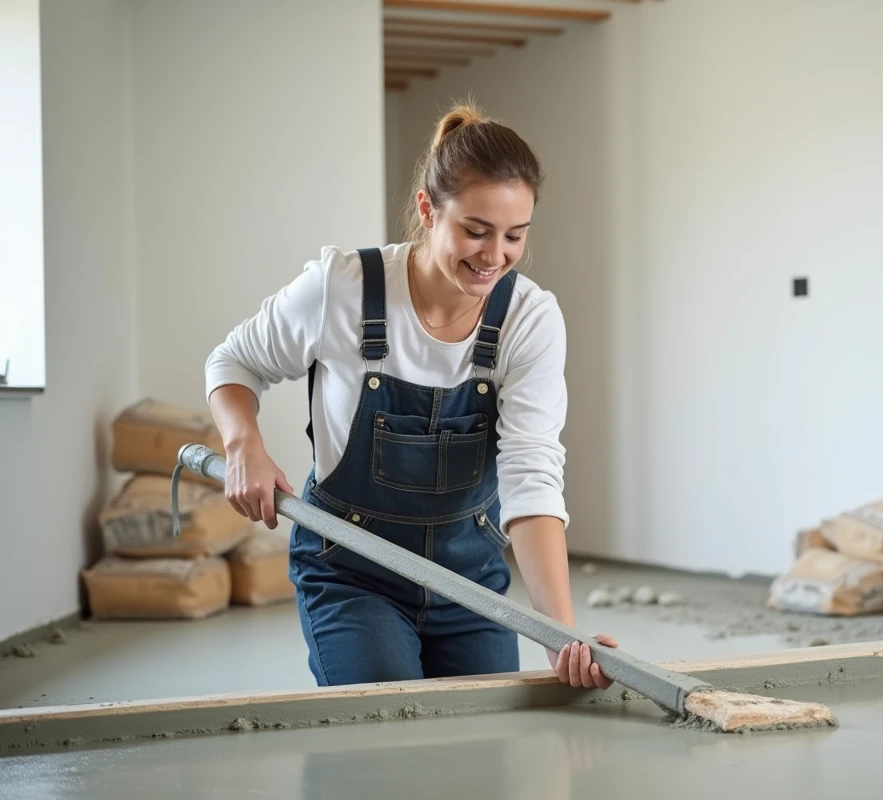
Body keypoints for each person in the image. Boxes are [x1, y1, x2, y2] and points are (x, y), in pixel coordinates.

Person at [204, 102, 618, 691]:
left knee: (480, 745)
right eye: (476, 230)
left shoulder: (529, 318)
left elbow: (532, 473)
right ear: (427, 209)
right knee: (387, 725)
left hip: (470, 583)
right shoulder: (342, 289)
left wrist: (561, 635)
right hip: (351, 572)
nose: (494, 256)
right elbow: (234, 361)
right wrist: (243, 443)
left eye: (514, 235)